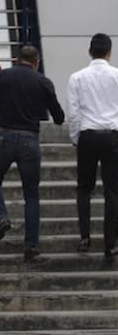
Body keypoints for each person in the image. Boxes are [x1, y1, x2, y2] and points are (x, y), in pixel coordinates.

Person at [66, 33, 118, 259]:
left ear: (89, 51)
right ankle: (110, 243)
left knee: (84, 188)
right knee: (112, 191)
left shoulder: (76, 78)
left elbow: (73, 114)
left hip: (88, 135)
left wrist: (76, 138)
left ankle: (85, 238)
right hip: (112, 136)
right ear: (109, 52)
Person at [0, 45, 65, 261]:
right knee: (31, 195)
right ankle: (31, 245)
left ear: (18, 59)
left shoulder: (4, 77)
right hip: (29, 140)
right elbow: (58, 117)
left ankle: (1, 216)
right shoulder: (42, 82)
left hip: (4, 138)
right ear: (36, 62)